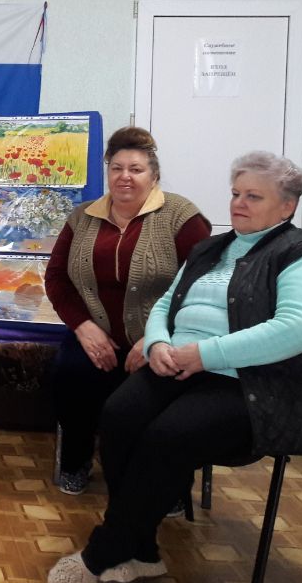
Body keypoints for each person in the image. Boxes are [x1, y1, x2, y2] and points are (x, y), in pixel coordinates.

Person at [48, 151, 302, 583]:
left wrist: (205, 354)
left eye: (253, 196)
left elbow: (296, 329)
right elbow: (168, 302)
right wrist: (158, 343)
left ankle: (104, 551)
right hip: (181, 363)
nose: (238, 203)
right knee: (120, 415)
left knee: (168, 435)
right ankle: (143, 550)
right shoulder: (213, 248)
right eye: (236, 193)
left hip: (253, 385)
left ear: (287, 206)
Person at [45, 127, 210, 496]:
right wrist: (84, 328)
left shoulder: (181, 217)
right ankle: (76, 461)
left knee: (161, 389)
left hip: (164, 338)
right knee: (69, 375)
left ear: (154, 175)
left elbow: (201, 286)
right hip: (96, 334)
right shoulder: (82, 217)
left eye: (136, 169)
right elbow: (56, 278)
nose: (125, 177)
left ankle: (168, 482)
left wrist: (156, 338)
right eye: (117, 168)